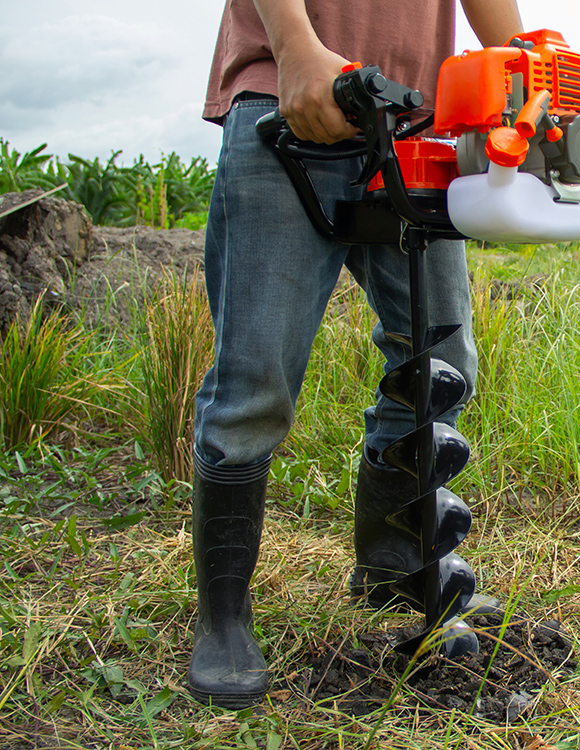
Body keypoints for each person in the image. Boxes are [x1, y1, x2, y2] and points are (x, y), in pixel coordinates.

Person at [188, 0, 524, 710]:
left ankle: (392, 561)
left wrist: (525, 73)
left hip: (415, 122)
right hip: (293, 97)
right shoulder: (291, 69)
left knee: (440, 362)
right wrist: (296, 49)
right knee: (256, 383)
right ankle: (222, 618)